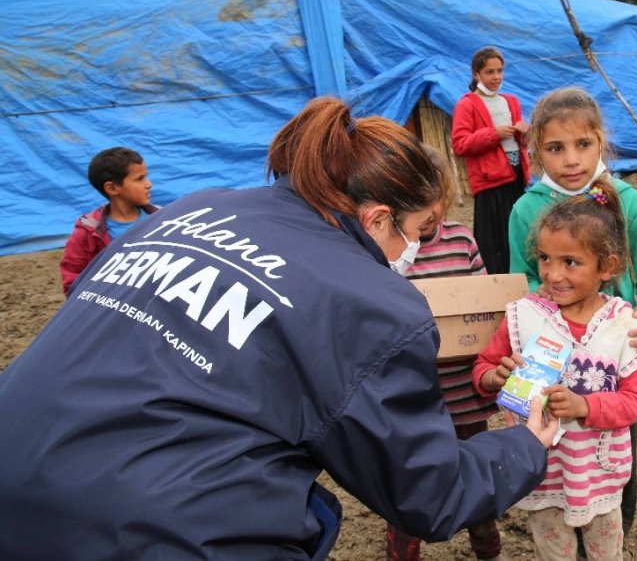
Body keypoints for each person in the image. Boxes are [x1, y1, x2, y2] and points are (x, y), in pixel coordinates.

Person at [0, 97, 559, 561]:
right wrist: (527, 444)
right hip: (147, 531)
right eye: (419, 231)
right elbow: (431, 493)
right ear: (377, 219)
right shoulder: (371, 302)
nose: (414, 250)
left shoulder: (192, 210)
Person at [508, 87, 637, 534]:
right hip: (551, 357)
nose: (571, 159)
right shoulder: (525, 210)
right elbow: (520, 282)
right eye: (555, 148)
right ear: (537, 153)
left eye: (583, 144)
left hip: (611, 359)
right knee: (554, 448)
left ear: (601, 142)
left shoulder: (629, 201)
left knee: (617, 444)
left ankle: (615, 530)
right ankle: (558, 529)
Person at [474, 180, 637, 560]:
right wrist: (495, 376)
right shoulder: (524, 315)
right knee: (553, 554)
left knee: (606, 553)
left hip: (600, 475)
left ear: (608, 267)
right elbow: (485, 368)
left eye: (570, 262)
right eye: (544, 259)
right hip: (543, 474)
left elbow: (635, 403)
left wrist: (584, 407)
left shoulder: (625, 326)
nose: (553, 275)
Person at [385, 145, 502, 561]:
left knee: (477, 482)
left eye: (433, 196)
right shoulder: (392, 252)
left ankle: (488, 548)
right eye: (415, 200)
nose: (429, 210)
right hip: (416, 399)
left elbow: (484, 304)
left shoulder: (461, 240)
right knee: (409, 491)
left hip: (465, 395)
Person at [452, 46, 531, 275]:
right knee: (494, 238)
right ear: (476, 74)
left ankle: (521, 275)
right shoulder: (468, 104)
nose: (496, 77)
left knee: (517, 230)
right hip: (490, 180)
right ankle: (495, 280)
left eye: (499, 71)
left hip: (515, 174)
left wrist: (524, 132)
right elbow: (460, 144)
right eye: (489, 72)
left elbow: (521, 142)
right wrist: (494, 134)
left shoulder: (511, 101)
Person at [59, 146, 158, 296]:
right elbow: (73, 278)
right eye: (139, 179)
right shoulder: (88, 232)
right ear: (112, 188)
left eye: (146, 176)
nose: (148, 184)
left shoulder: (161, 218)